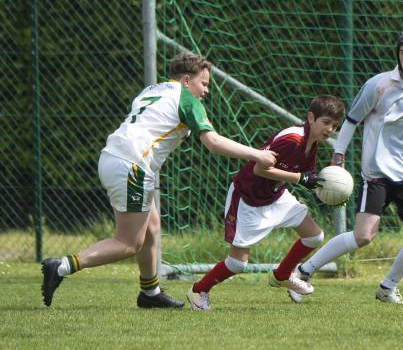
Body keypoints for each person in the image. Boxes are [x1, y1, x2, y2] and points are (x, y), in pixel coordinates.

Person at [40, 52, 277, 309]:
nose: (206, 91)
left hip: (114, 158)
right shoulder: (186, 99)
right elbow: (213, 142)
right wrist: (257, 155)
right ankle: (62, 266)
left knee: (152, 226)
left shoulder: (152, 90)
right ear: (187, 80)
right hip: (132, 166)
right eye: (204, 83)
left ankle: (150, 292)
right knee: (129, 243)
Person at [295, 29, 403, 304]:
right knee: (363, 236)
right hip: (376, 174)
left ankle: (387, 287)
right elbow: (351, 120)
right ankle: (303, 272)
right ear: (397, 53)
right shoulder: (378, 85)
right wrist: (338, 154)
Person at [185, 95, 345, 311]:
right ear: (310, 118)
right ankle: (198, 290)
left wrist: (330, 191)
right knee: (237, 263)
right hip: (247, 197)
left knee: (314, 236)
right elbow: (259, 168)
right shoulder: (292, 139)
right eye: (326, 122)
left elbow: (308, 175)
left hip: (276, 195)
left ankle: (281, 276)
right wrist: (299, 179)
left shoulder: (312, 143)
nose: (330, 129)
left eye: (335, 126)